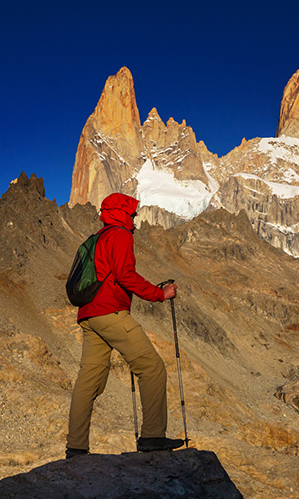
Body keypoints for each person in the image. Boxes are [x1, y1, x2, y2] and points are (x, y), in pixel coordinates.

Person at [65, 192, 183, 458]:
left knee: (89, 381)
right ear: (121, 213)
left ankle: (76, 448)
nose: (135, 218)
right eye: (131, 213)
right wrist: (158, 294)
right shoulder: (119, 235)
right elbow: (124, 274)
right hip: (110, 312)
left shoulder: (96, 238)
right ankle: (153, 437)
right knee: (152, 368)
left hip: (89, 315)